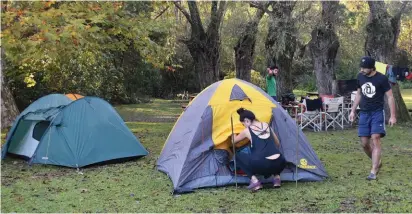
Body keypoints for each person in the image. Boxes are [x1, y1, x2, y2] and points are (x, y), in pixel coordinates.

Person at [349, 56, 396, 180]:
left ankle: (373, 171)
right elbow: (359, 94)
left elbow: (390, 97)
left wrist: (393, 116)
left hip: (377, 112)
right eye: (361, 67)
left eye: (364, 68)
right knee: (364, 143)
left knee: (375, 138)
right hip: (364, 113)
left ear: (371, 68)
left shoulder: (382, 78)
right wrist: (353, 110)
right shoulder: (360, 77)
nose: (362, 69)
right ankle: (377, 161)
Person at [233, 108, 286, 191]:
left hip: (262, 165)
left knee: (237, 156)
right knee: (272, 154)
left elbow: (234, 141)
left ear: (247, 121)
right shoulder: (267, 125)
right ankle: (277, 178)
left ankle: (255, 181)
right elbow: (277, 143)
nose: (244, 126)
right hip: (280, 162)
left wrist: (232, 133)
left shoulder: (247, 130)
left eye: (243, 124)